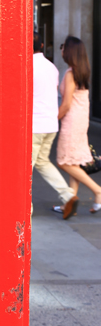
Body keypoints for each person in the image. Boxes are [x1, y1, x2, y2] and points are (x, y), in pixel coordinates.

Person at [32, 32, 78, 219]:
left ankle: (26, 210)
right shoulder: (52, 67)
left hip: (34, 124)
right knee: (42, 162)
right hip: (50, 124)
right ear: (42, 45)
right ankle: (68, 195)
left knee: (26, 168)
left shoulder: (25, 66)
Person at [56, 35, 101, 214]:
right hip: (81, 121)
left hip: (72, 121)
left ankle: (98, 191)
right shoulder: (82, 71)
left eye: (63, 46)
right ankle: (70, 203)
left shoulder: (69, 73)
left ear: (70, 51)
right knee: (73, 161)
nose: (61, 49)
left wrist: (54, 119)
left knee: (63, 161)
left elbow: (66, 104)